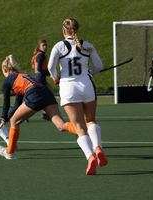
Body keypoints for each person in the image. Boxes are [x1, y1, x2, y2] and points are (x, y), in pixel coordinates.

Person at [47, 18, 108, 175]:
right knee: (91, 121)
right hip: (87, 86)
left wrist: (55, 78)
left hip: (69, 88)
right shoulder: (86, 45)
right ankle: (98, 146)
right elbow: (99, 66)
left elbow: (50, 66)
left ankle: (90, 157)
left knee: (80, 128)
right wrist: (90, 73)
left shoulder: (59, 46)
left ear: (63, 30)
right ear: (77, 30)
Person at [0, 55, 78, 160]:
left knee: (14, 122)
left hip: (34, 93)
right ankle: (86, 132)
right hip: (46, 93)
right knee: (61, 125)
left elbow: (6, 102)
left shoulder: (7, 81)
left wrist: (4, 117)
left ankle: (9, 152)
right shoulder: (22, 76)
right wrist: (8, 116)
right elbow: (17, 102)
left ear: (4, 70)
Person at [31, 39, 54, 120]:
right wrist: (49, 74)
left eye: (46, 45)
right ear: (39, 47)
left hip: (38, 77)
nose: (45, 47)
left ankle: (45, 114)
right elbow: (40, 68)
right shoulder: (41, 55)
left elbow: (41, 68)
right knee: (46, 95)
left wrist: (50, 74)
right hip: (40, 78)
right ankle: (45, 114)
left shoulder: (38, 55)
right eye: (43, 45)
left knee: (48, 93)